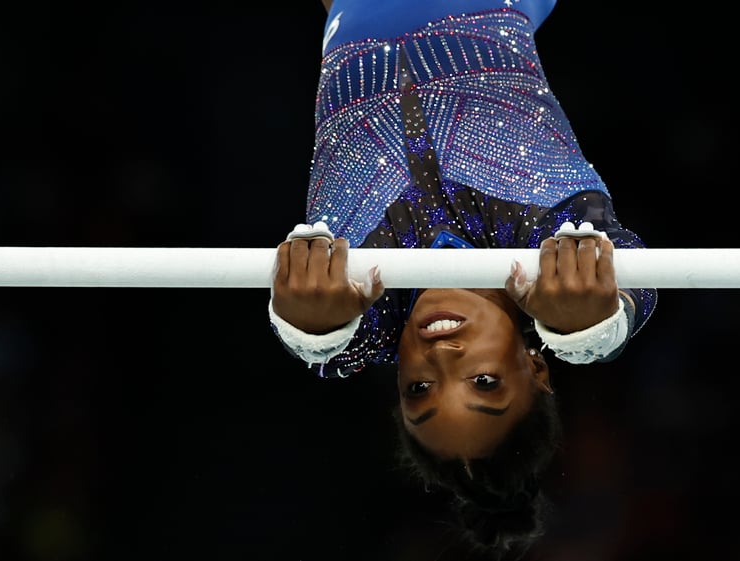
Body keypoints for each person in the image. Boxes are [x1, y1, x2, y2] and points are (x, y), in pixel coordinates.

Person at [268, 0, 657, 558]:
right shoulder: (544, 246)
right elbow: (633, 273)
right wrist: (591, 330)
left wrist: (309, 325)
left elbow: (324, 351)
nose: (442, 358)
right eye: (484, 384)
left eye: (418, 391)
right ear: (536, 368)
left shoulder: (365, 311)